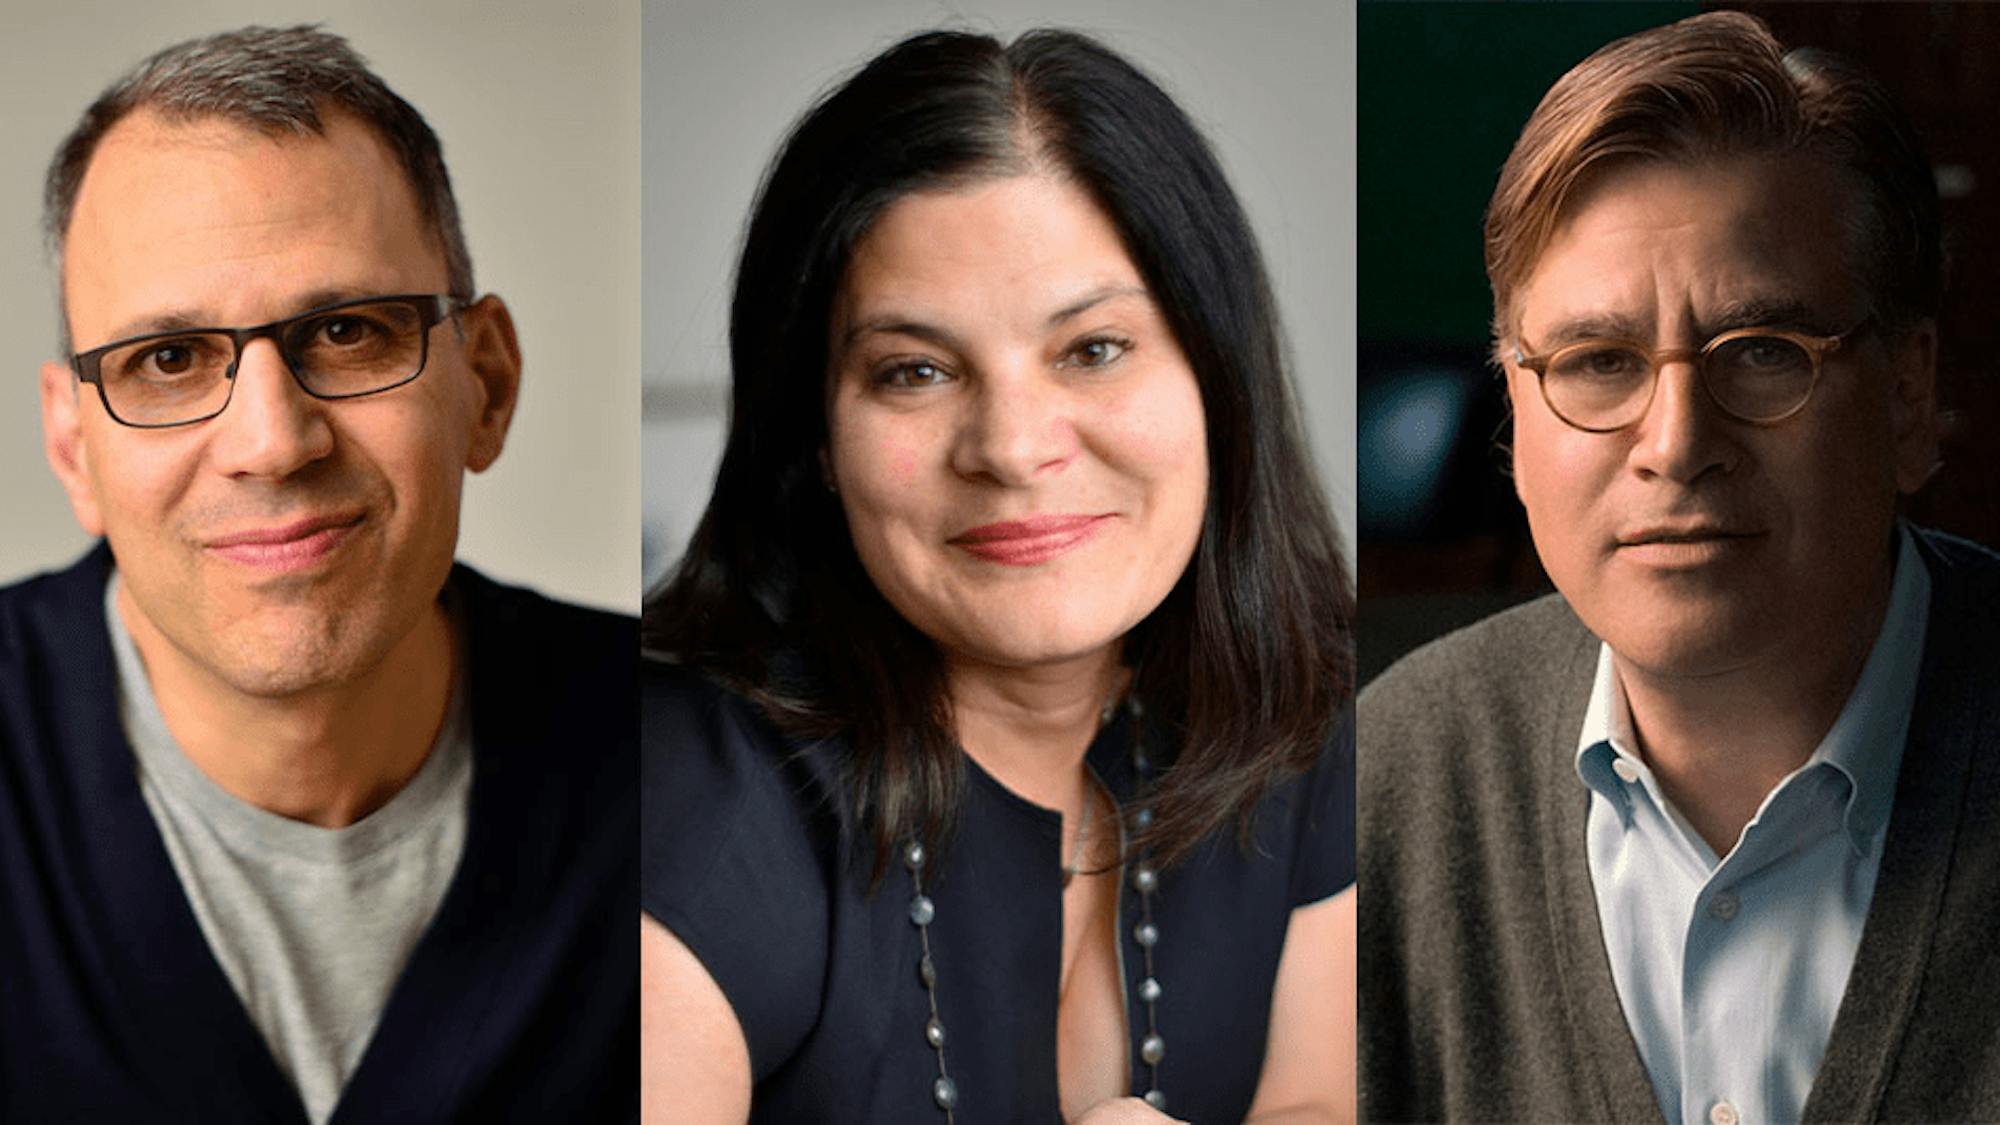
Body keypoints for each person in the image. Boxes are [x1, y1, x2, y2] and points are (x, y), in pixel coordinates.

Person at [640, 28, 1356, 1125]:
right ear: (816, 439)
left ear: (1216, 374)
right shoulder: (682, 787)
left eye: (1092, 349)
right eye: (914, 371)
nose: (1013, 448)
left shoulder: (1299, 700)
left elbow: (1315, 1101)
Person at [1359, 11, 2000, 1124]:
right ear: (1513, 417)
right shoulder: (1387, 782)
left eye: (1762, 355)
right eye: (1596, 362)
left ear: (1903, 395)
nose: (1673, 442)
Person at [1, 26, 634, 1122]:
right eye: (167, 359)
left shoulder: (681, 756)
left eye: (346, 332)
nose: (272, 440)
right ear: (73, 447)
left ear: (483, 385)